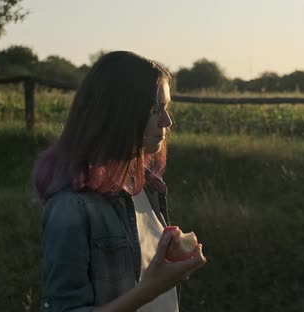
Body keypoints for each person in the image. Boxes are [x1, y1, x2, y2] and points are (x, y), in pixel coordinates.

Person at [32, 51, 207, 312]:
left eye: (166, 108)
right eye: (155, 109)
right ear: (121, 113)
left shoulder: (147, 186)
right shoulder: (72, 206)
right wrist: (149, 290)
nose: (167, 121)